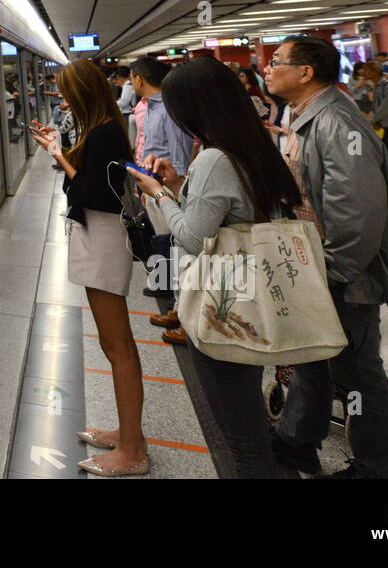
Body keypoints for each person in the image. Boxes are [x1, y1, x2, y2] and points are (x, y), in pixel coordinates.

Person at [126, 57, 302, 478]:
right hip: (251, 290)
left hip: (222, 304)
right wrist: (177, 185)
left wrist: (159, 194)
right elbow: (227, 210)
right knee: (248, 420)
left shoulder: (212, 159)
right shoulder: (252, 145)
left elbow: (192, 237)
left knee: (240, 438)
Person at [266, 38, 388, 479]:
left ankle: (376, 469)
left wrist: (335, 272)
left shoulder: (337, 124)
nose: (267, 68)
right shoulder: (306, 117)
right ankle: (297, 440)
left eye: (276, 62)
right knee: (312, 358)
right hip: (315, 267)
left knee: (358, 374)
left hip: (340, 273)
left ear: (305, 73)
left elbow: (356, 212)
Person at [30, 59, 148, 477]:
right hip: (100, 237)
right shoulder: (104, 128)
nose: (61, 98)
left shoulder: (102, 133)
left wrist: (60, 158)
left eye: (65, 91)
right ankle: (127, 432)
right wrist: (60, 150)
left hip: (102, 239)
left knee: (118, 347)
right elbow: (94, 180)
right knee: (114, 345)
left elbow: (90, 191)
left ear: (81, 92)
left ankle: (132, 451)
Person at [131, 57, 195, 340]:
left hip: (168, 185)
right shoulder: (152, 107)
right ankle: (179, 307)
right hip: (154, 184)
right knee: (170, 245)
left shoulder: (168, 107)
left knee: (179, 248)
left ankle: (187, 316)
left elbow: (180, 153)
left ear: (138, 79)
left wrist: (176, 189)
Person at [351, 61, 388, 192]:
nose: (363, 72)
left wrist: (374, 119)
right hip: (384, 124)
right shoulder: (377, 86)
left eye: (366, 69)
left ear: (374, 71)